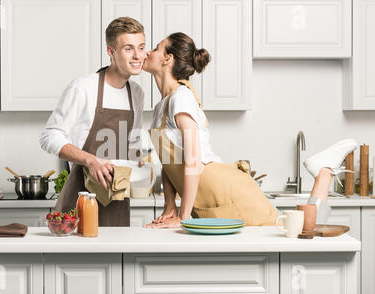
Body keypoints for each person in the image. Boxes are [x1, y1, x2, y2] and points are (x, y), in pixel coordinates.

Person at [142, 32, 357, 228]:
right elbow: (169, 164)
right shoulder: (162, 105)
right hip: (207, 195)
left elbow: (192, 159)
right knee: (292, 232)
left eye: (155, 48)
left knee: (296, 233)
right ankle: (324, 171)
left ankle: (324, 173)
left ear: (167, 59)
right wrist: (170, 205)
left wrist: (183, 214)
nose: (148, 52)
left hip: (225, 192)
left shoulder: (182, 98)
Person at [39, 17, 146, 226]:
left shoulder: (137, 93)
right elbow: (49, 136)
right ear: (111, 52)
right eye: (128, 49)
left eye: (141, 48)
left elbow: (133, 142)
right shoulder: (83, 87)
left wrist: (139, 161)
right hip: (80, 200)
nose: (137, 56)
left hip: (117, 201)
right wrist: (90, 160)